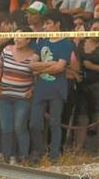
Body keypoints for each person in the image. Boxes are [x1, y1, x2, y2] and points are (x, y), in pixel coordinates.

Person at [28, 13, 74, 162]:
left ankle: (54, 156)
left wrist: (39, 68)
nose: (45, 26)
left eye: (48, 23)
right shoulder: (42, 41)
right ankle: (39, 151)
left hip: (57, 88)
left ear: (57, 24)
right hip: (41, 89)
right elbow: (31, 65)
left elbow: (60, 68)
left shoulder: (66, 43)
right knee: (34, 123)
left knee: (55, 122)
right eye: (44, 24)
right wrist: (49, 64)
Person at [71, 19, 99, 155]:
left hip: (98, 85)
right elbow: (74, 60)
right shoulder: (81, 43)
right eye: (95, 29)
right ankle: (78, 149)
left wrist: (93, 67)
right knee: (81, 117)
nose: (97, 32)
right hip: (82, 84)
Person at [0, 33, 39, 164]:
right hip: (4, 95)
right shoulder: (7, 49)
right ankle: (7, 157)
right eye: (16, 36)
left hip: (23, 97)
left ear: (28, 39)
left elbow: (38, 75)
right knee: (6, 128)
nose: (17, 39)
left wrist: (32, 90)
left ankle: (23, 156)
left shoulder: (34, 55)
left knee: (20, 127)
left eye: (21, 37)